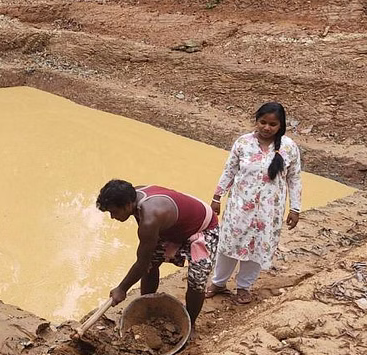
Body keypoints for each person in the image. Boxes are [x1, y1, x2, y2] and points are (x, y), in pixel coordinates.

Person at [206, 103, 302, 304]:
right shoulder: (243, 143)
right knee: (229, 244)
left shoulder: (289, 147)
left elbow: (294, 178)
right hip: (239, 207)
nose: (267, 128)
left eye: (273, 124)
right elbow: (229, 171)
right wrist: (217, 197)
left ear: (281, 125)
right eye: (263, 122)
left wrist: (295, 208)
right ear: (256, 121)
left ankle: (244, 287)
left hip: (269, 211)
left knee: (258, 247)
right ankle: (219, 282)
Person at [97, 180, 219, 327]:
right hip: (174, 228)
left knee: (197, 281)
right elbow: (146, 260)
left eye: (114, 212)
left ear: (127, 205)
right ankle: (147, 307)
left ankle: (190, 324)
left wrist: (122, 289)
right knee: (150, 265)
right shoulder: (132, 196)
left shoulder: (150, 218)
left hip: (202, 228)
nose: (112, 216)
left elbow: (141, 262)